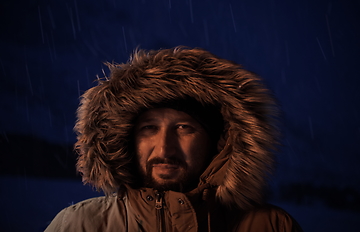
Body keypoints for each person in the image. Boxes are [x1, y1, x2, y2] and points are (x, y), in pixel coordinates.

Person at [45, 47, 303, 232]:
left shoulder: (271, 226)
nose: (164, 148)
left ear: (218, 142)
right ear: (127, 140)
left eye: (183, 128)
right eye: (149, 128)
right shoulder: (79, 225)